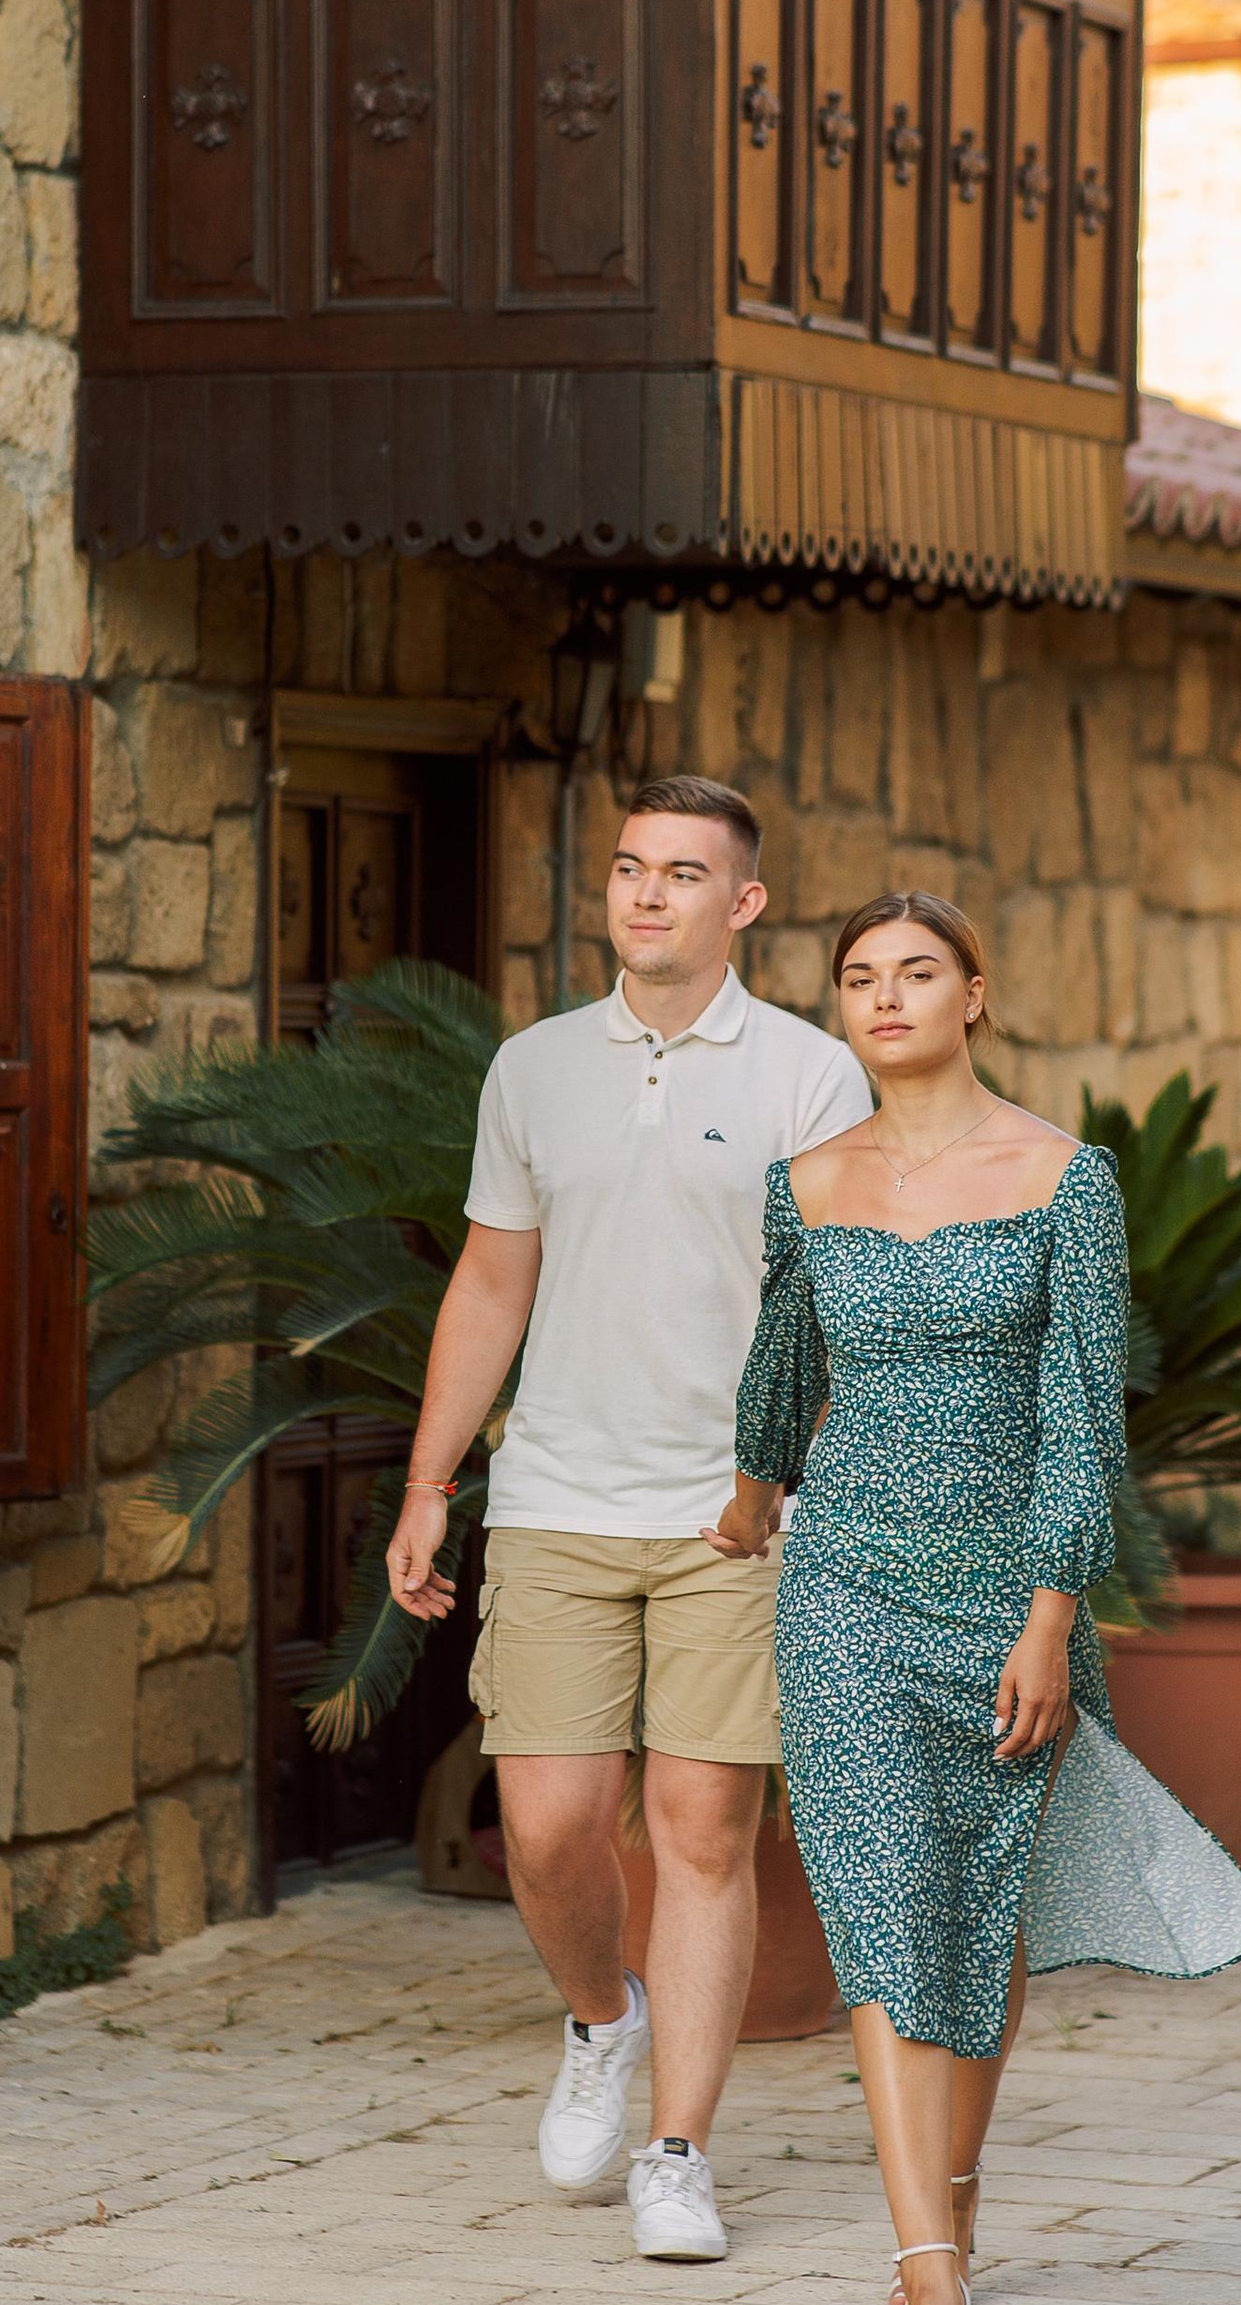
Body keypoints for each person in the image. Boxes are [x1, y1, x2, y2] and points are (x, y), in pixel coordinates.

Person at [705, 891, 1241, 2305]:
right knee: (877, 1891)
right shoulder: (807, 1180)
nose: (885, 997)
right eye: (858, 976)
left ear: (977, 992)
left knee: (977, 1901)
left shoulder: (1062, 1178)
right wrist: (752, 1483)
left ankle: (951, 2205)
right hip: (843, 1579)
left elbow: (1084, 1417)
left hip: (1004, 1590)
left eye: (916, 972)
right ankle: (927, 2269)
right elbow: (785, 1359)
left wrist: (1047, 1612)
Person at [386, 774, 871, 2264]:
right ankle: (604, 2018)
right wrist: (428, 1482)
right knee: (544, 1830)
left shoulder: (808, 1075)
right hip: (555, 1503)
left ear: (745, 904)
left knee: (703, 1829)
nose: (646, 895)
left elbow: (843, 1303)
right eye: (627, 870)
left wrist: (797, 1482)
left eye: (682, 874)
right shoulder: (533, 1070)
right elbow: (490, 1282)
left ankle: (679, 2151)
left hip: (737, 1512)